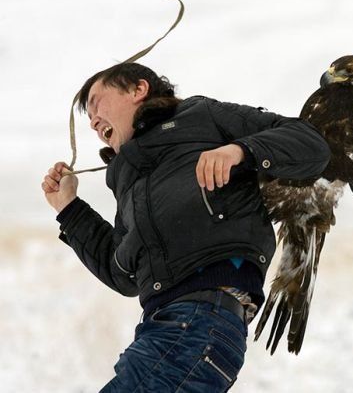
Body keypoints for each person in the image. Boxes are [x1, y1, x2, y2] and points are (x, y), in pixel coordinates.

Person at [41, 63, 331, 392]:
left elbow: (310, 144)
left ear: (138, 90)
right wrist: (68, 208)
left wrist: (241, 150)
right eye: (89, 117)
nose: (93, 121)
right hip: (164, 329)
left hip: (200, 319)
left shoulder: (201, 116)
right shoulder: (127, 179)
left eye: (97, 103)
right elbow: (121, 273)